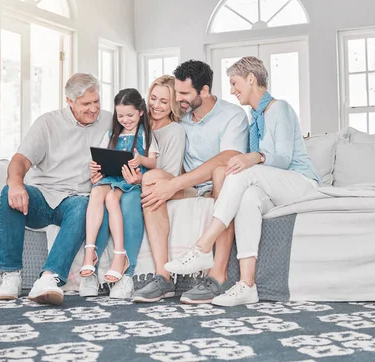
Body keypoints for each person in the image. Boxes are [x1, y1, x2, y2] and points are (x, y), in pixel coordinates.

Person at [164, 56, 321, 306]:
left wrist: (253, 157)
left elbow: (283, 158)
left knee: (238, 172)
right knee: (247, 200)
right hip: (273, 188)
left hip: (301, 182)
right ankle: (247, 285)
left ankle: (203, 246)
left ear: (251, 79)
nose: (232, 90)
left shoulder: (279, 108)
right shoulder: (254, 116)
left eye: (235, 83)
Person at [132, 60, 249, 304]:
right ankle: (163, 276)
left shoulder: (232, 115)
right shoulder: (181, 116)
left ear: (204, 91)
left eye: (184, 93)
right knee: (152, 179)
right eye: (177, 91)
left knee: (222, 173)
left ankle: (217, 276)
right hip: (191, 188)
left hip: (218, 184)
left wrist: (174, 184)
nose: (179, 97)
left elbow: (229, 157)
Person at [0, 73, 111, 306]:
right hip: (44, 197)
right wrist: (15, 182)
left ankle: (49, 278)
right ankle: (11, 276)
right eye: (86, 104)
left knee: (81, 205)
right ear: (69, 101)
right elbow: (20, 160)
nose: (93, 109)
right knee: (9, 192)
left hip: (75, 200)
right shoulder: (47, 123)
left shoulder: (110, 121)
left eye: (96, 101)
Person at [79, 76, 187, 299]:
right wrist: (97, 169)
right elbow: (104, 154)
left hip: (139, 181)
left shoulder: (165, 132)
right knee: (98, 197)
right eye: (154, 99)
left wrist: (141, 174)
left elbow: (163, 170)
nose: (157, 105)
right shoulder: (116, 131)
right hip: (115, 179)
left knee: (123, 202)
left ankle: (125, 268)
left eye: (164, 101)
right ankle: (91, 262)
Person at [80, 88, 158, 291]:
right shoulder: (112, 134)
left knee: (111, 200)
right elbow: (99, 156)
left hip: (129, 180)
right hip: (111, 177)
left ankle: (120, 255)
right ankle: (90, 253)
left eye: (130, 115)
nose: (125, 120)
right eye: (120, 116)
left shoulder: (145, 135)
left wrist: (141, 160)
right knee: (96, 193)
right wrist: (95, 167)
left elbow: (154, 162)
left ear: (141, 111)